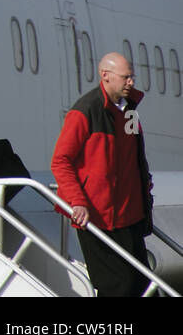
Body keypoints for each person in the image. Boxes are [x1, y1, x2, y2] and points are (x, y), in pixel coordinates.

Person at [52, 52, 154, 296]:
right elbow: (61, 160)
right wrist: (77, 201)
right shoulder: (85, 111)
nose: (131, 82)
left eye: (132, 77)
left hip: (129, 216)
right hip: (98, 217)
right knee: (117, 286)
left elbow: (135, 155)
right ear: (105, 76)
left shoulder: (129, 111)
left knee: (142, 284)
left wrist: (144, 187)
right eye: (126, 77)